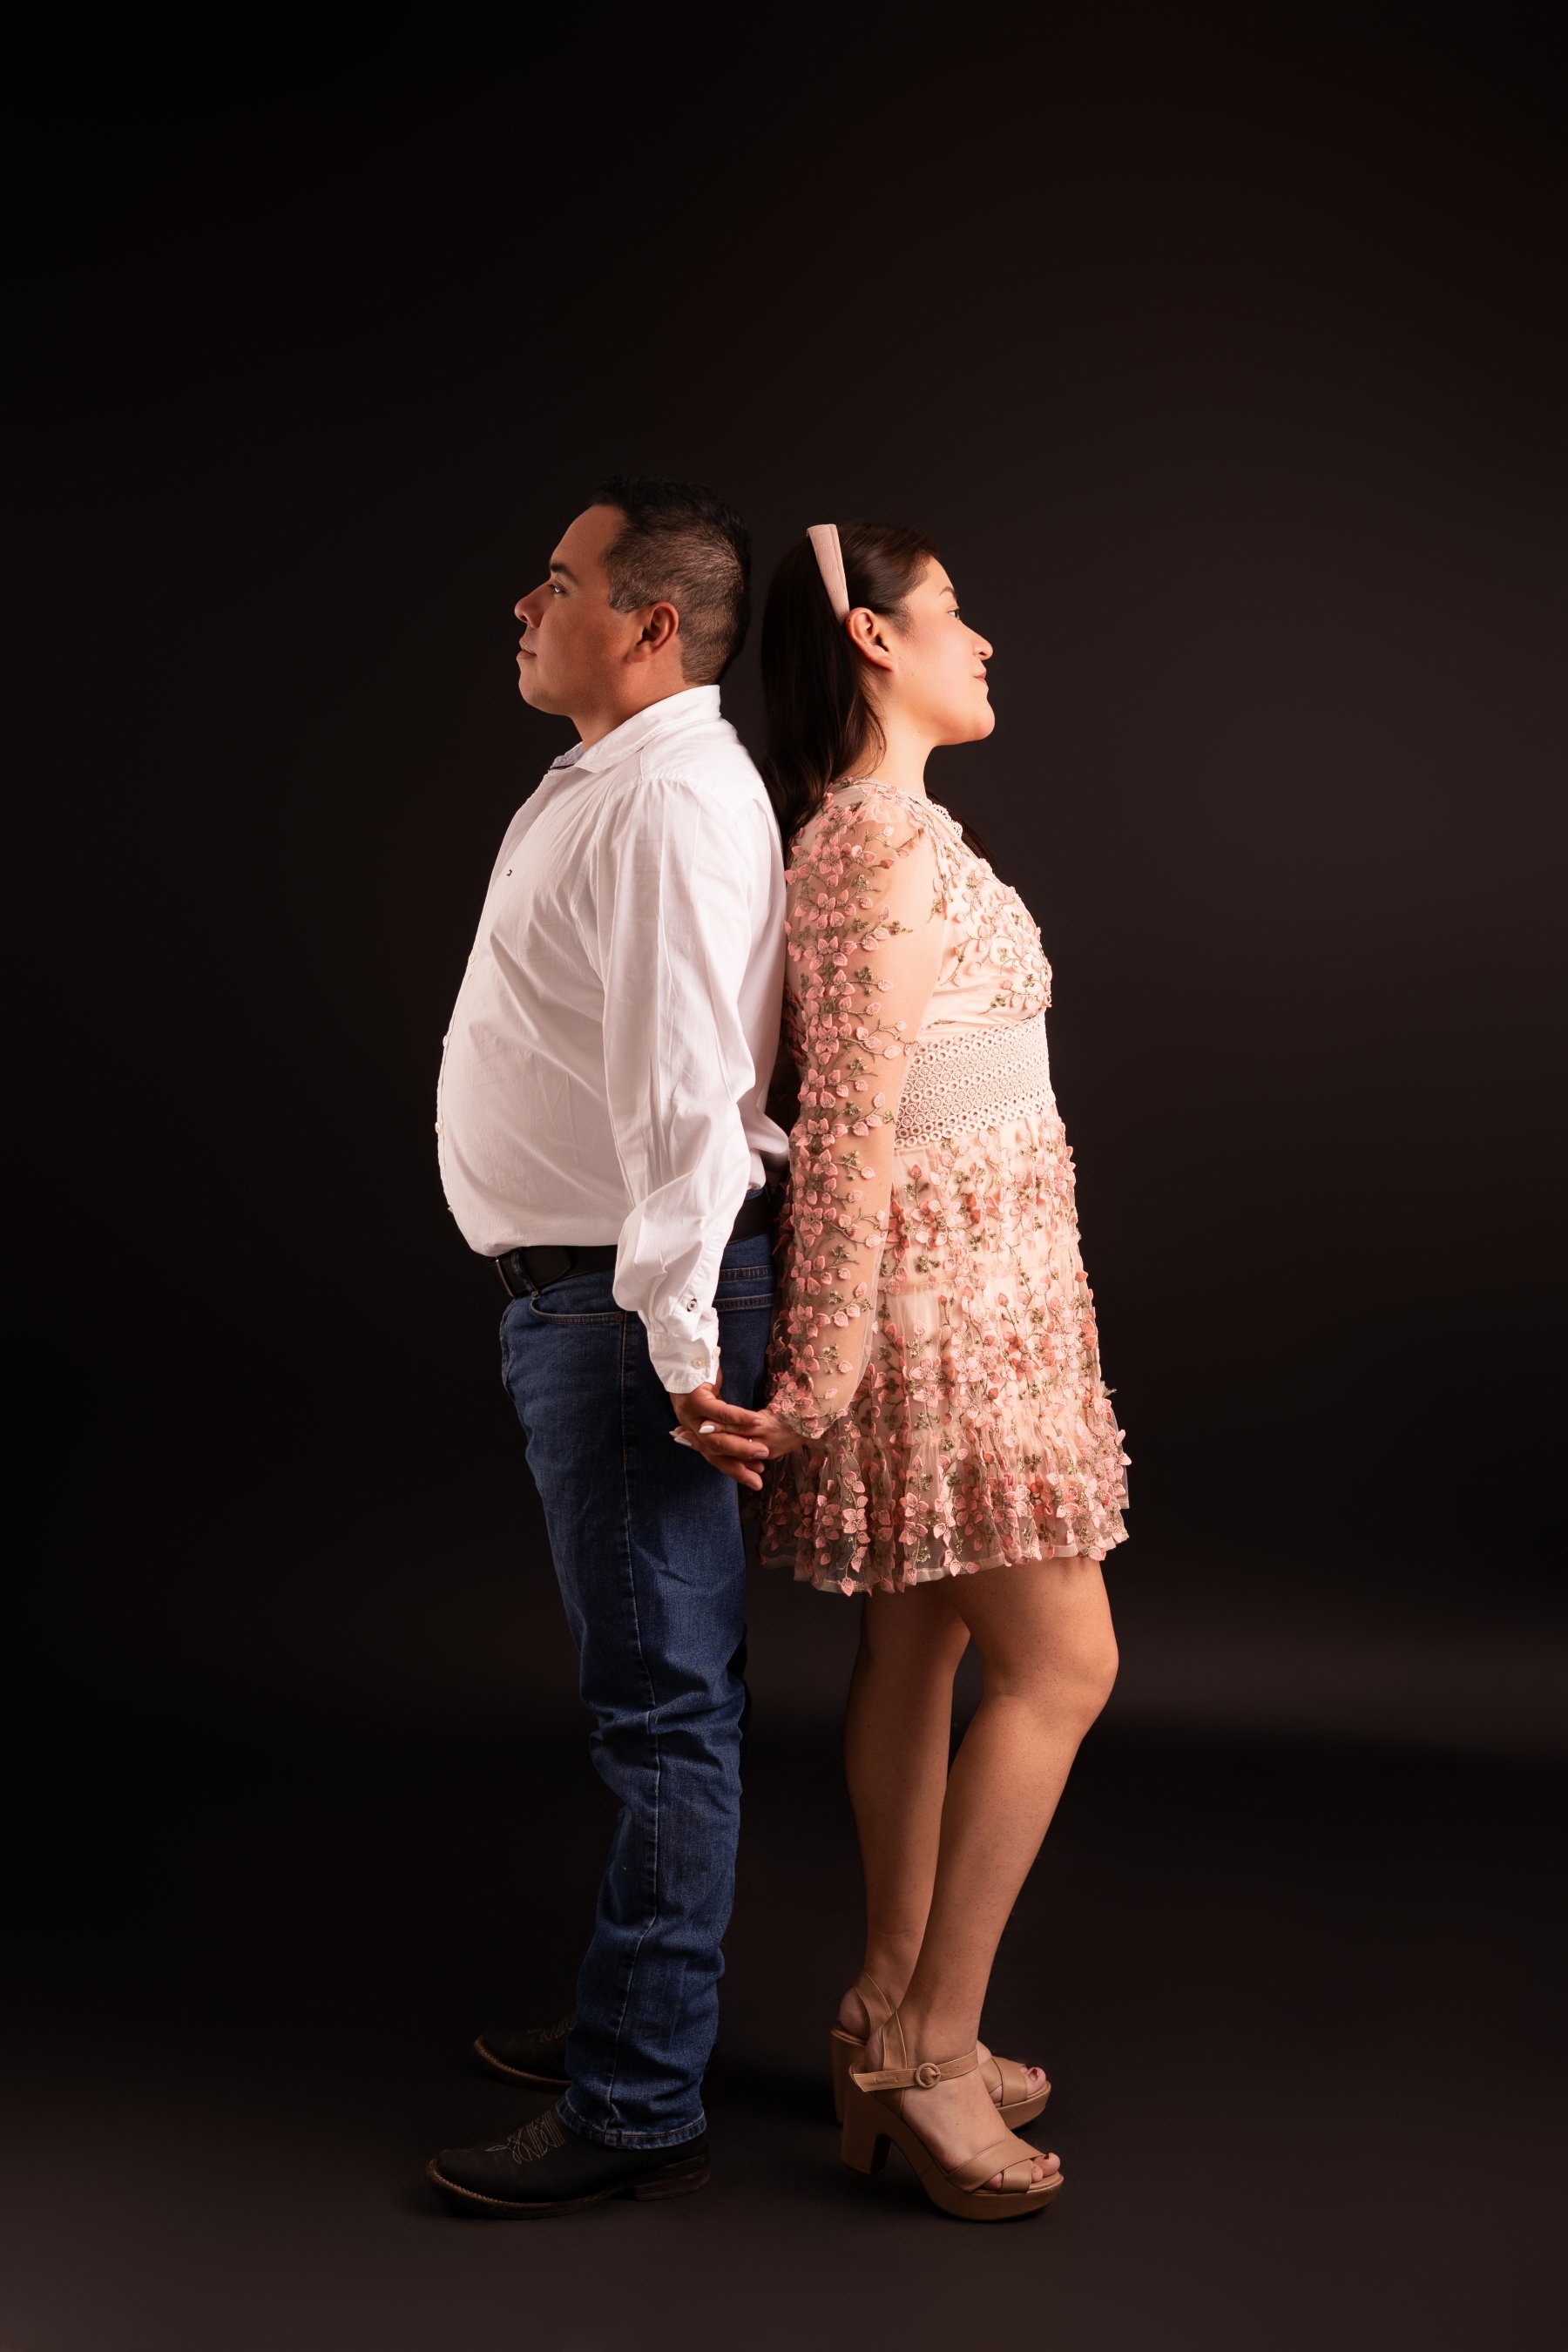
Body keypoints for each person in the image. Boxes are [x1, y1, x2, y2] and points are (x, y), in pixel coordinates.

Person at [685, 520, 1129, 2220]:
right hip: (945, 1315)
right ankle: (931, 2051)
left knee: (927, 1635)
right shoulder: (868, 846)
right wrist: (815, 1374)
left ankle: (884, 2002)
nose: (984, 640)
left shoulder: (893, 831)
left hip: (995, 1293)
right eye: (954, 613)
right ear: (876, 639)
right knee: (1064, 1663)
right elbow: (851, 1133)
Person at [425, 477, 787, 2215]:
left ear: (648, 625)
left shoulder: (663, 803)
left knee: (662, 1713)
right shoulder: (618, 778)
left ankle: (640, 2099)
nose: (525, 603)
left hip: (629, 1312)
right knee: (655, 1699)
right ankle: (626, 2021)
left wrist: (677, 1342)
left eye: (557, 582)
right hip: (594, 1300)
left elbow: (686, 1094)